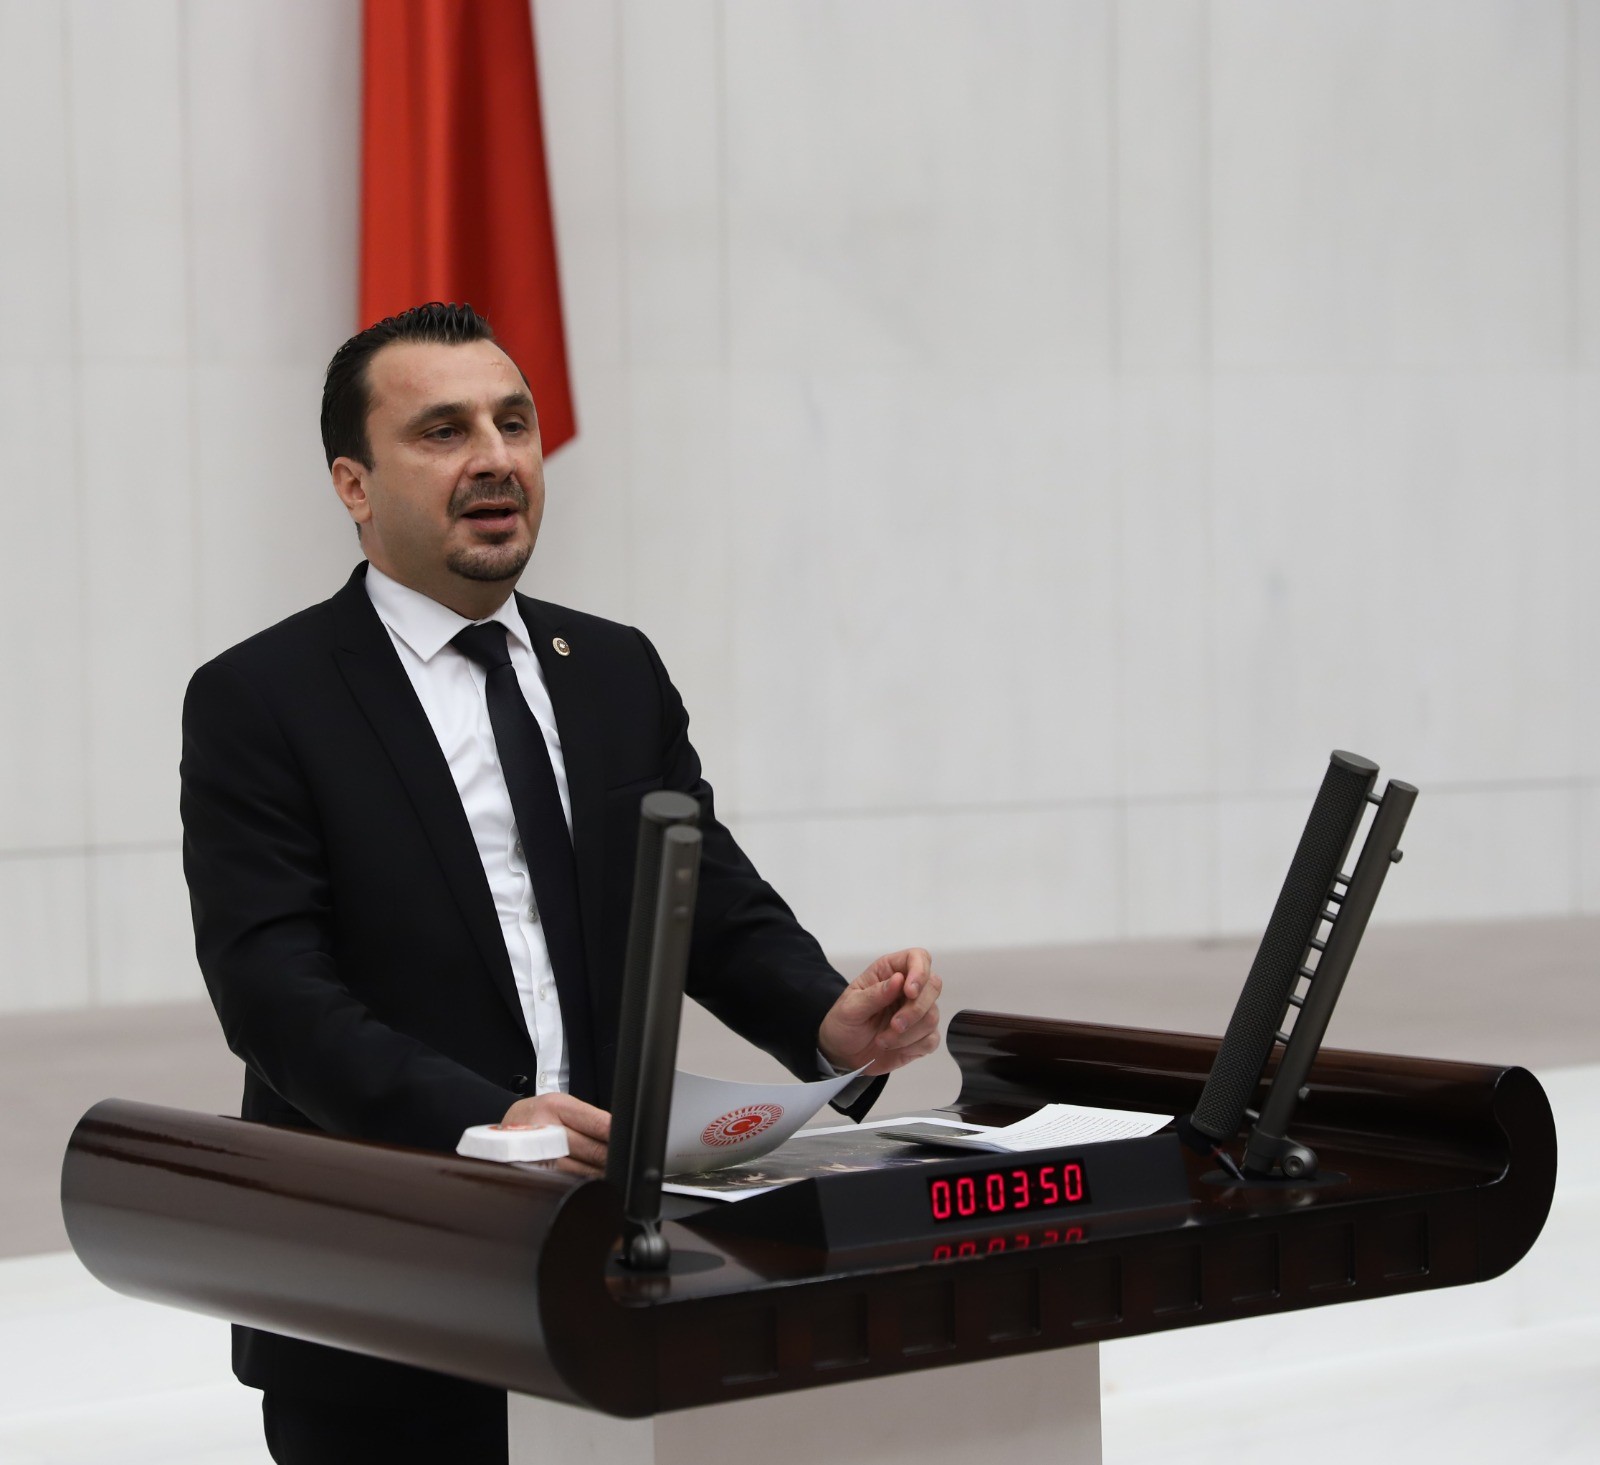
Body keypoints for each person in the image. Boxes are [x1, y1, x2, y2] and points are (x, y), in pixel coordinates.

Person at [180, 302, 944, 1464]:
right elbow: (274, 992)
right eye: (443, 430)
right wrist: (484, 1119)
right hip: (386, 1288)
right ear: (352, 484)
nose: (495, 458)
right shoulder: (263, 698)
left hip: (611, 1262)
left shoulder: (615, 669)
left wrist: (824, 1016)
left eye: (514, 423)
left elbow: (702, 898)